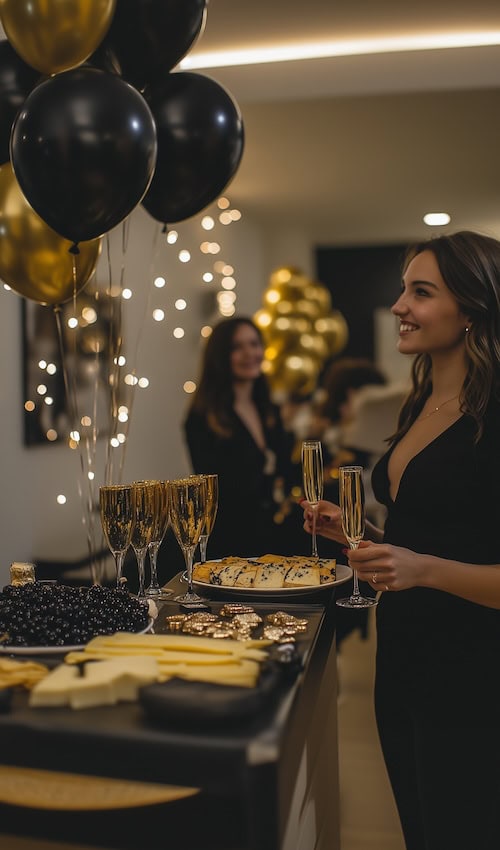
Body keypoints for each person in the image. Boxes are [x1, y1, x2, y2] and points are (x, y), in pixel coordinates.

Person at [302, 231, 500, 850]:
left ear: (471, 308)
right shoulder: (424, 401)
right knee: (421, 828)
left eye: (421, 292)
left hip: (473, 673)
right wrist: (366, 538)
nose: (398, 306)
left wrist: (423, 570)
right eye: (402, 289)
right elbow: (441, 534)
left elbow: (439, 562)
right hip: (407, 657)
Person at [184, 316, 294, 559]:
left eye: (254, 344)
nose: (249, 353)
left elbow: (286, 470)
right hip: (231, 542)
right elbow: (218, 493)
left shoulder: (269, 409)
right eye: (237, 347)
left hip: (275, 534)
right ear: (220, 356)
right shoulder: (202, 419)